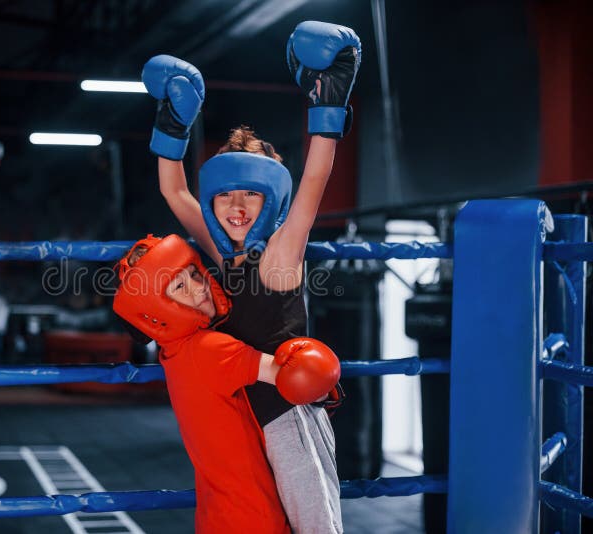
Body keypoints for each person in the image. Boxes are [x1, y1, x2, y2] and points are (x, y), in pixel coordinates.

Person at [141, 21, 361, 534]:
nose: (236, 207)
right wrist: (173, 121)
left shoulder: (281, 250)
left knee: (315, 527)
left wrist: (329, 101)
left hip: (288, 414)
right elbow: (174, 192)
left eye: (252, 195)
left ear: (272, 200)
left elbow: (315, 178)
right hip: (240, 413)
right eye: (225, 194)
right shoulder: (221, 253)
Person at [113, 234, 341, 534]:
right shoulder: (209, 349)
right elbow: (295, 373)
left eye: (195, 274)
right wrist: (322, 381)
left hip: (218, 516)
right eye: (179, 286)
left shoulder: (172, 354)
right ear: (158, 310)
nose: (198, 287)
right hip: (255, 517)